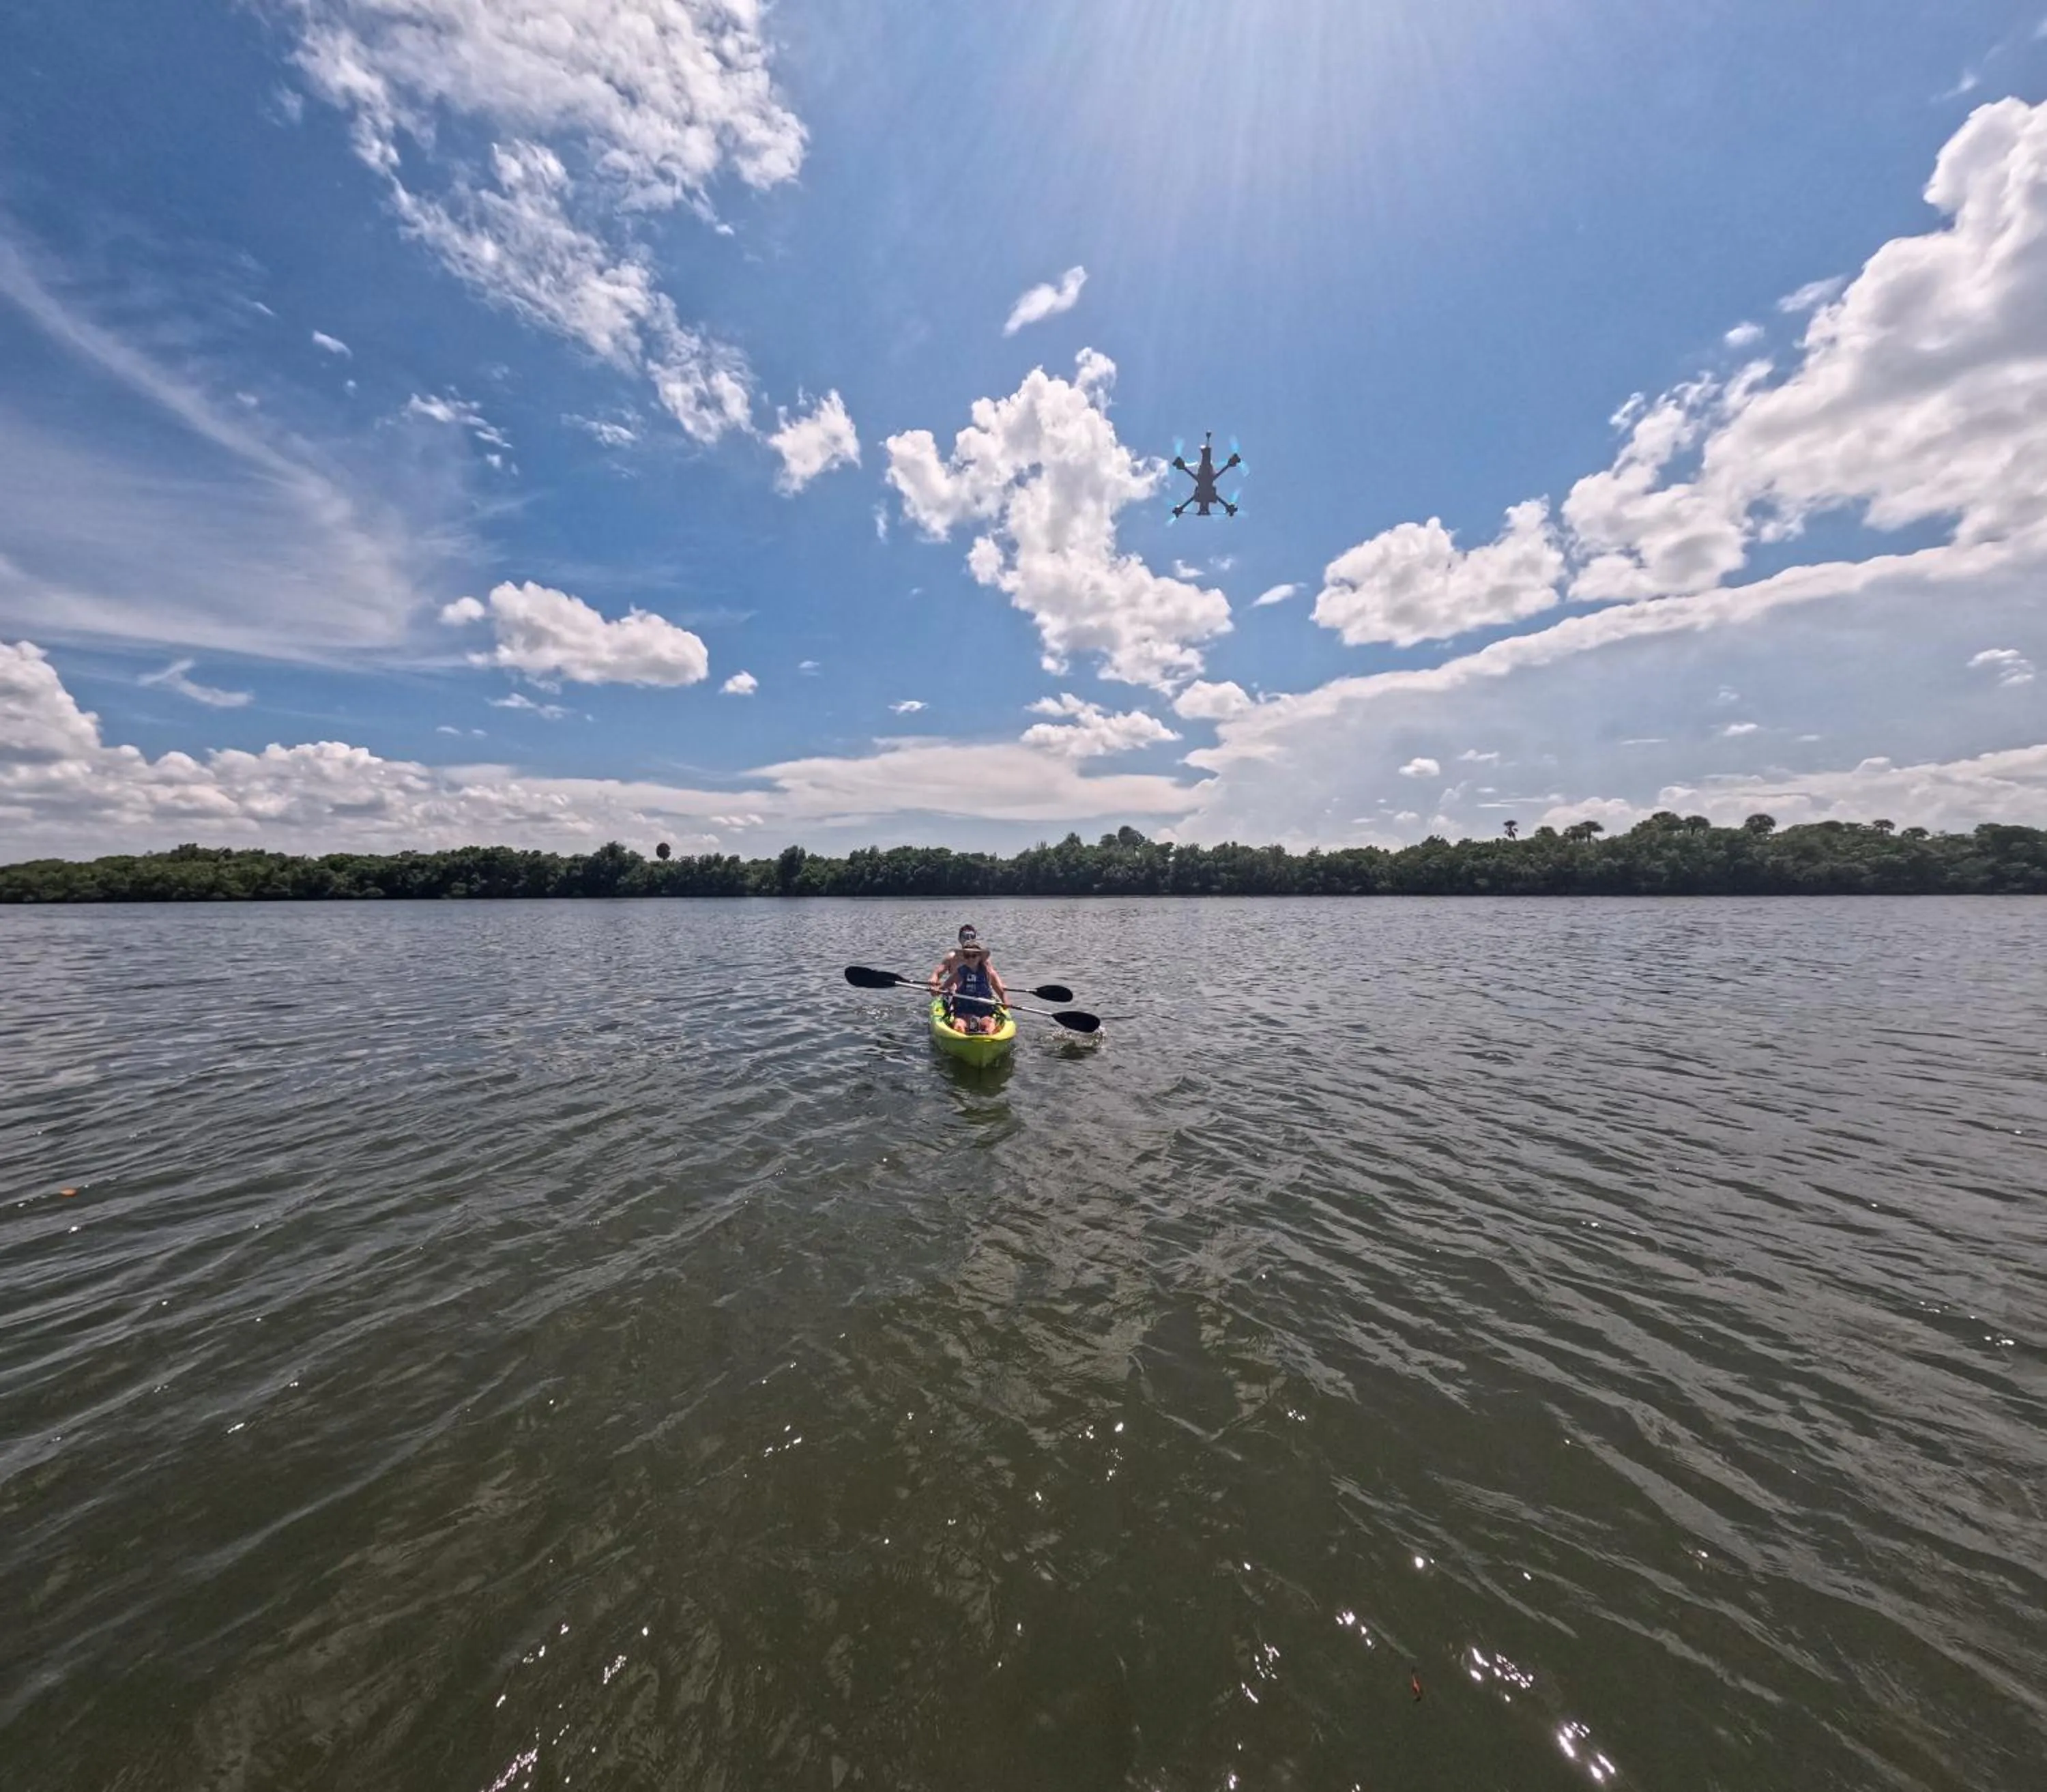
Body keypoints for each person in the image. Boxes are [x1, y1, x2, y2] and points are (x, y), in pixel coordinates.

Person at [930, 928, 1009, 1034]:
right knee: (959, 1024)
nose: (970, 959)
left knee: (989, 1025)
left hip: (984, 1010)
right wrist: (936, 990)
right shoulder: (960, 972)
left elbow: (998, 987)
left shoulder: (987, 970)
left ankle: (988, 1035)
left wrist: (1005, 999)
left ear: (980, 957)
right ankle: (964, 1032)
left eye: (974, 956)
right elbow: (943, 987)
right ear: (964, 957)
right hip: (964, 1010)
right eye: (967, 956)